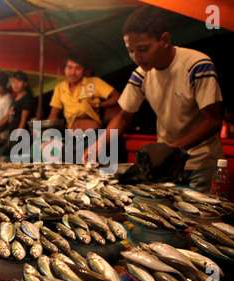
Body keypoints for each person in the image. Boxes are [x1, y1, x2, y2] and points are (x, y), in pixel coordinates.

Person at [84, 5, 224, 193]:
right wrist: (98, 145)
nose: (136, 57)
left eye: (142, 49)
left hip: (201, 165)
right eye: (130, 51)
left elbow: (213, 120)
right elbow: (124, 116)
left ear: (165, 39)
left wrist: (170, 150)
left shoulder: (197, 65)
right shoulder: (140, 75)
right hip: (166, 167)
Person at [47, 51, 120, 131]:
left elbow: (117, 97)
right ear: (64, 68)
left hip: (93, 132)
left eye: (78, 68)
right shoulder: (60, 88)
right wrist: (46, 133)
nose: (73, 72)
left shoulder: (94, 82)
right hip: (72, 135)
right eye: (70, 67)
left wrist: (99, 105)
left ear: (84, 70)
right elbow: (53, 115)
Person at [0, 71, 35, 155]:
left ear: (25, 83)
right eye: (13, 81)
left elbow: (23, 121)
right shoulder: (15, 98)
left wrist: (17, 138)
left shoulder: (27, 98)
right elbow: (8, 117)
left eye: (19, 81)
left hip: (21, 137)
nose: (15, 84)